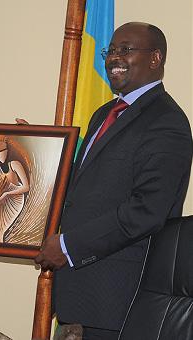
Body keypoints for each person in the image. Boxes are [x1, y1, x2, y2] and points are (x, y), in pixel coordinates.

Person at [35, 22, 192, 339]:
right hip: (78, 293)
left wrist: (67, 246)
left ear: (155, 58)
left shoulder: (167, 121)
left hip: (118, 299)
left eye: (126, 49)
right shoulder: (104, 113)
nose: (113, 58)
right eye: (111, 50)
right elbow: (83, 190)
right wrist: (32, 149)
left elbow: (147, 211)